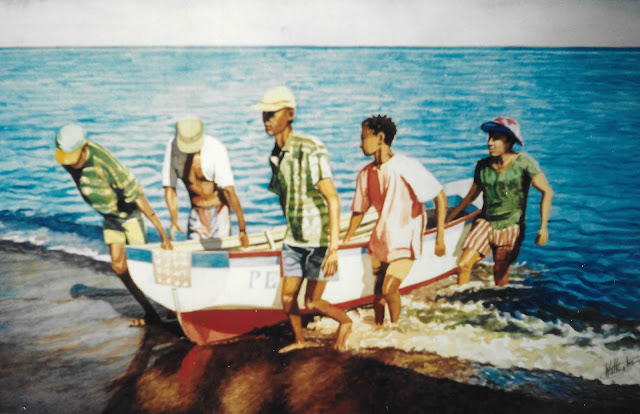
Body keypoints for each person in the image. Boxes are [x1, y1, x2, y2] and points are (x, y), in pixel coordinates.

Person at [254, 86, 352, 352]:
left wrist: (334, 248)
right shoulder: (275, 156)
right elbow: (283, 197)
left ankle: (345, 323)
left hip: (319, 240)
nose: (266, 120)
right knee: (287, 298)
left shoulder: (310, 147)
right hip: (293, 239)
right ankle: (299, 340)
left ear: (290, 114)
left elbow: (333, 198)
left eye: (272, 114)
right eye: (264, 115)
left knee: (312, 302)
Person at [55, 122, 173, 327]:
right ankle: (151, 312)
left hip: (129, 217)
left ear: (84, 148)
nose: (69, 164)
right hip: (111, 219)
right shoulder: (69, 163)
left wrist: (162, 235)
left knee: (144, 267)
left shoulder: (105, 163)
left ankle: (173, 307)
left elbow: (139, 197)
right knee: (119, 267)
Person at [343, 115, 448, 326]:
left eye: (364, 138)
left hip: (405, 239)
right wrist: (346, 240)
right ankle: (380, 330)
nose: (359, 143)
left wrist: (440, 237)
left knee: (389, 288)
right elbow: (359, 211)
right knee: (377, 294)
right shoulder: (365, 173)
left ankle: (396, 328)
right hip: (382, 239)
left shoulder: (406, 166)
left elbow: (440, 196)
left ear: (380, 138)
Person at [446, 116, 553, 287]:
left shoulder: (524, 163)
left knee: (500, 276)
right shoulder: (482, 166)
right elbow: (470, 197)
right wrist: (450, 218)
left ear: (509, 142)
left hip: (511, 226)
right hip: (486, 223)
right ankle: (462, 303)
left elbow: (547, 191)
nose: (490, 143)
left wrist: (543, 227)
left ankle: (499, 310)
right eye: (489, 138)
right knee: (463, 265)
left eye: (496, 138)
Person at [161, 118, 249, 247]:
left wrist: (242, 228)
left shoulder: (215, 149)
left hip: (219, 210)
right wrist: (174, 220)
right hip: (196, 211)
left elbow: (229, 190)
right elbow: (170, 188)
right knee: (194, 252)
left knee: (220, 253)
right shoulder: (173, 148)